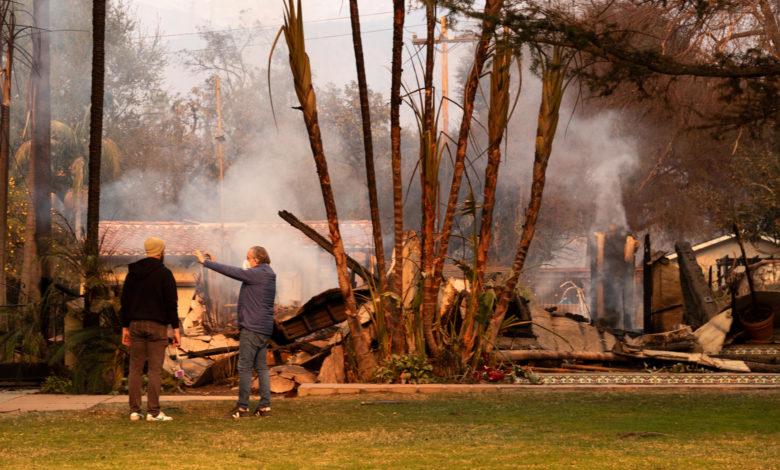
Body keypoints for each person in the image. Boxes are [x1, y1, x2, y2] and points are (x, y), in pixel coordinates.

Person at [194, 246, 276, 418]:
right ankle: (264, 407)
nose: (245, 260)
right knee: (261, 368)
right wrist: (216, 263)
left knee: (244, 367)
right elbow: (235, 273)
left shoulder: (257, 274)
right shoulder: (267, 274)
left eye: (247, 257)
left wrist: (206, 263)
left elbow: (236, 272)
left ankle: (242, 408)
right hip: (264, 329)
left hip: (252, 328)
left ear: (256, 260)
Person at [121, 237, 180, 422]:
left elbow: (125, 301)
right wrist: (175, 329)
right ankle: (153, 412)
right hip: (157, 326)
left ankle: (134, 411)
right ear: (161, 252)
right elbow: (171, 304)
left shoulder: (132, 273)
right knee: (154, 370)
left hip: (135, 325)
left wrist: (124, 327)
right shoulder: (165, 273)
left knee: (135, 369)